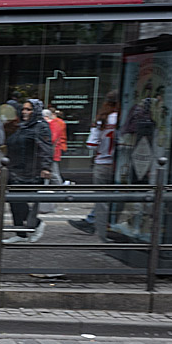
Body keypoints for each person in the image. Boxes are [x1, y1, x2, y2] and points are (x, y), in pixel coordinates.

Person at [0, 99, 52, 243]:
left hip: (31, 171)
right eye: (24, 109)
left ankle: (36, 224)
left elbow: (46, 148)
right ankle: (20, 233)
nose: (25, 112)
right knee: (14, 202)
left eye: (29, 109)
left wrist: (46, 167)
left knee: (20, 202)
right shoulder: (22, 127)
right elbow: (12, 149)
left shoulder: (41, 127)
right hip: (16, 170)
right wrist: (3, 167)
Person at [68, 91, 119, 238]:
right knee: (116, 196)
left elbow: (91, 144)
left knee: (101, 198)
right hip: (118, 164)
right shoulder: (121, 118)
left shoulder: (102, 119)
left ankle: (99, 229)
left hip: (102, 162)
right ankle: (95, 222)